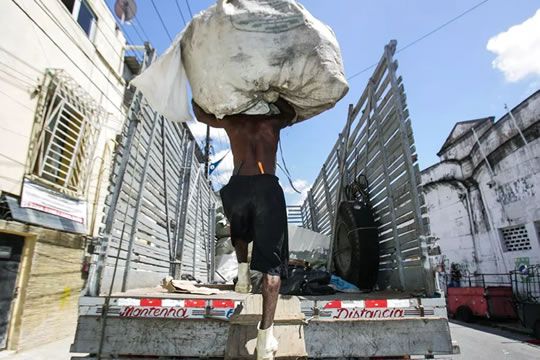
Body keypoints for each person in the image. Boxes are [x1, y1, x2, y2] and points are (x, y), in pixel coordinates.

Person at [192, 98, 295, 360]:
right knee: (272, 267)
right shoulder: (273, 122)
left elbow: (201, 113)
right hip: (267, 188)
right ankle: (265, 339)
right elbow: (290, 112)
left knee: (239, 230)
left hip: (237, 187)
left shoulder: (233, 122)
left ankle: (243, 273)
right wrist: (274, 95)